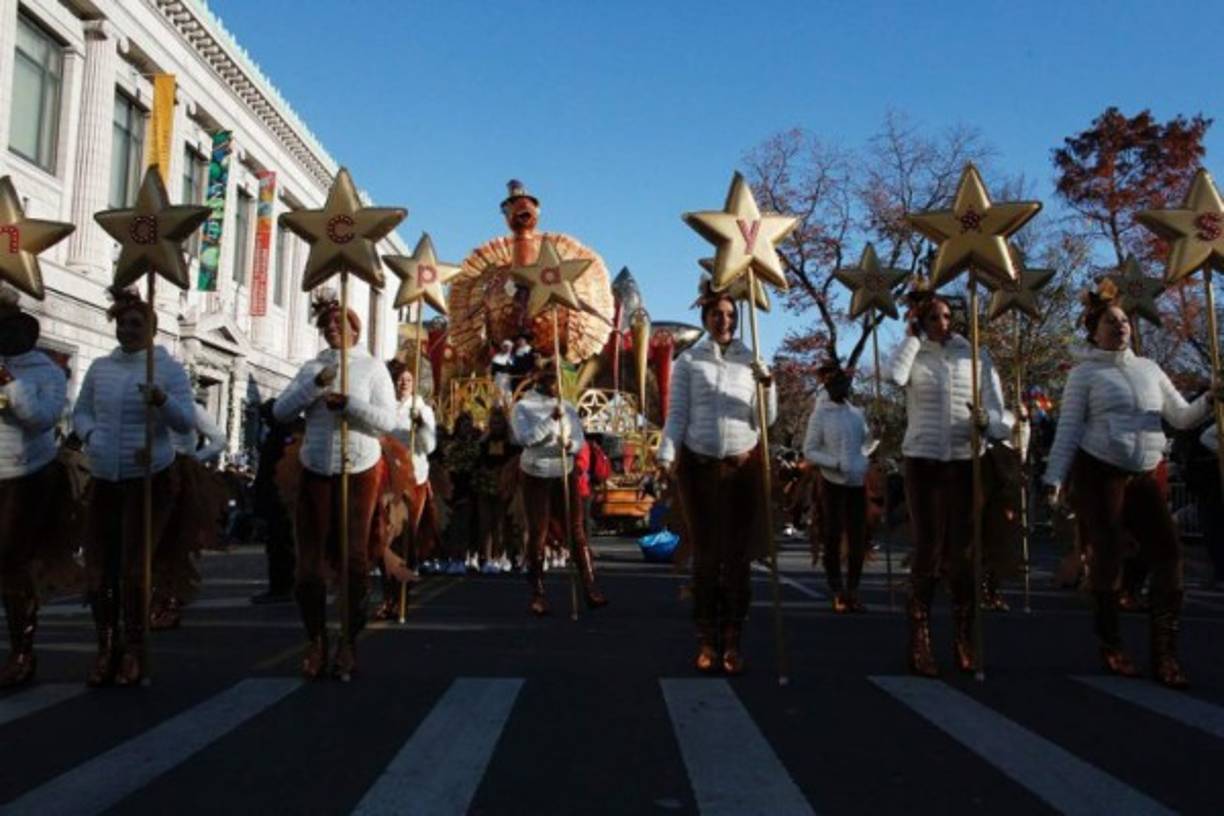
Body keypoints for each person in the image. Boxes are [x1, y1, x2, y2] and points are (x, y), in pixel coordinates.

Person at [1042, 283, 1215, 688]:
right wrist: (1054, 478)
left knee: (1169, 554)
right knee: (1106, 557)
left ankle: (1165, 654)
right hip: (1100, 472)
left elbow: (1182, 418)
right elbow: (1069, 429)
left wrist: (1209, 399)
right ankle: (1112, 644)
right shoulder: (1085, 374)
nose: (1120, 326)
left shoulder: (1149, 370)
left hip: (1144, 474)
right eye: (1109, 322)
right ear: (1094, 331)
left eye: (1123, 321)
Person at [73, 287, 195, 686]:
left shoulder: (168, 370)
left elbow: (184, 422)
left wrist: (162, 400)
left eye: (136, 324)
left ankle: (134, 649)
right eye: (123, 323)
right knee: (99, 567)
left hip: (148, 480)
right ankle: (106, 646)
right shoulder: (99, 367)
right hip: (105, 477)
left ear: (152, 329)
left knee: (134, 568)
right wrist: (91, 435)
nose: (127, 330)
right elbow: (82, 411)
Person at [273, 293, 398, 680]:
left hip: (358, 468)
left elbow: (388, 421)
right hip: (316, 466)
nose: (332, 329)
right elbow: (280, 411)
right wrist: (314, 386)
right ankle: (316, 640)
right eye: (326, 324)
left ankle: (348, 640)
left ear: (355, 330)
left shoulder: (373, 368)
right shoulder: (311, 367)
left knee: (354, 560)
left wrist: (350, 406)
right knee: (308, 567)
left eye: (340, 323)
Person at [657, 274, 776, 675]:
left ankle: (733, 637)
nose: (725, 320)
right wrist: (666, 453)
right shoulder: (689, 361)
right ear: (706, 318)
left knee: (738, 559)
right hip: (700, 465)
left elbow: (766, 421)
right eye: (717, 314)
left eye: (730, 314)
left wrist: (767, 387)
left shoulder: (751, 358)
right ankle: (707, 637)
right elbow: (677, 415)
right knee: (707, 557)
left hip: (742, 467)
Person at [888, 288, 1009, 677]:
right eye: (932, 318)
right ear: (920, 321)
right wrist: (911, 338)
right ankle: (920, 640)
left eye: (945, 316)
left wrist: (987, 422)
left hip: (964, 461)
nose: (941, 323)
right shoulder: (914, 353)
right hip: (923, 461)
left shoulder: (975, 356)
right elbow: (894, 377)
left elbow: (1001, 415)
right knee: (928, 549)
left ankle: (963, 637)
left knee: (963, 554)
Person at [0, 288, 73, 687]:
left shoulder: (47, 372)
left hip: (23, 476)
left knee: (12, 562)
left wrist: (10, 385)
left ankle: (22, 651)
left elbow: (41, 418)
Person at [512, 366, 608, 615]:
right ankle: (538, 592)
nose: (556, 386)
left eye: (557, 381)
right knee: (538, 532)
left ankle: (590, 586)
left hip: (564, 472)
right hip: (536, 473)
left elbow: (580, 439)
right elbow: (525, 439)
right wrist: (550, 420)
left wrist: (571, 444)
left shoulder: (568, 407)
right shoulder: (523, 407)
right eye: (550, 381)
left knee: (576, 530)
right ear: (540, 382)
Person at [802, 366, 877, 613]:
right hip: (831, 482)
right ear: (829, 388)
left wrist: (874, 439)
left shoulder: (857, 414)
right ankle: (837, 590)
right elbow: (809, 450)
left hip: (856, 482)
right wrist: (834, 463)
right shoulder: (820, 415)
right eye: (836, 385)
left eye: (844, 384)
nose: (841, 389)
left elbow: (864, 446)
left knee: (858, 538)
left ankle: (853, 590)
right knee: (832, 536)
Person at [373, 359, 437, 619]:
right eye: (399, 379)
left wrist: (420, 424)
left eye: (408, 379)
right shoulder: (383, 406)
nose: (403, 383)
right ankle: (387, 594)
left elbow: (429, 446)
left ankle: (400, 597)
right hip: (386, 477)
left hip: (413, 479)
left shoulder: (422, 409)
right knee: (383, 538)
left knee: (405, 538)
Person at [250, 399, 299, 605]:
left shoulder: (283, 437)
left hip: (280, 497)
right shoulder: (281, 435)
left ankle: (282, 587)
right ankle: (285, 585)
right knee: (281, 543)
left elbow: (268, 473)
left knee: (280, 544)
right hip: (279, 497)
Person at [474, 405, 520, 573]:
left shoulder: (511, 444)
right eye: (493, 423)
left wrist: (503, 475)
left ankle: (500, 555)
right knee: (485, 523)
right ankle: (485, 557)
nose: (496, 426)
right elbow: (478, 460)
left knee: (500, 523)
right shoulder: (483, 443)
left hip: (503, 487)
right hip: (485, 487)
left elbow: (514, 461)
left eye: (499, 423)